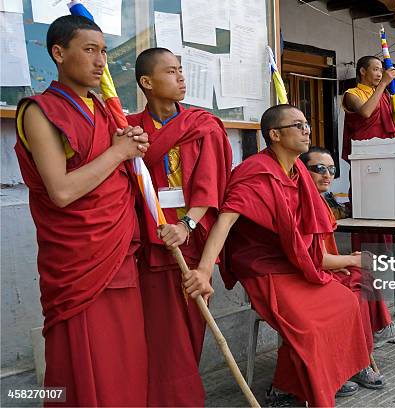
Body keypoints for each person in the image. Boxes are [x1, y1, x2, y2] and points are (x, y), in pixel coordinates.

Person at [184, 105, 371, 407]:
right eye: (297, 125)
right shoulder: (255, 171)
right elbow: (225, 221)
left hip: (295, 263)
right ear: (274, 134)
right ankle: (310, 387)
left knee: (347, 302)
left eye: (307, 124)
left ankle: (298, 384)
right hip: (264, 268)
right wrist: (205, 272)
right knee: (309, 328)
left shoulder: (298, 172)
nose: (306, 130)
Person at [14, 15, 149, 405]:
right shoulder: (39, 111)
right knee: (83, 366)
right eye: (89, 50)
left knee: (124, 362)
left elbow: (115, 174)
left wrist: (131, 148)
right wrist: (119, 151)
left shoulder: (105, 111)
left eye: (104, 51)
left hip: (118, 255)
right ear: (58, 53)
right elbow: (61, 191)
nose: (101, 61)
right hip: (78, 263)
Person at [126, 47, 232, 406]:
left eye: (181, 70)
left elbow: (211, 183)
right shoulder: (131, 130)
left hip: (193, 240)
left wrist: (187, 223)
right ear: (147, 82)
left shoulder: (203, 125)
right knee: (162, 335)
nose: (181, 77)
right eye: (171, 72)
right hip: (151, 244)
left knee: (190, 328)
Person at [300, 147, 395, 370]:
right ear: (302, 170)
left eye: (331, 169)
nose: (327, 175)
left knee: (361, 273)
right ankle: (362, 355)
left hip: (322, 267)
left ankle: (368, 344)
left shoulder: (320, 202)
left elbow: (324, 253)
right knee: (357, 285)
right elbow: (317, 259)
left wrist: (348, 260)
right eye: (318, 169)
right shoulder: (302, 203)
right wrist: (350, 260)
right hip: (306, 276)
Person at [342, 55, 395, 251]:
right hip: (364, 160)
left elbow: (390, 123)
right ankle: (365, 254)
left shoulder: (382, 95)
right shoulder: (352, 94)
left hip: (386, 157)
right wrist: (384, 83)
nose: (379, 73)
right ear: (362, 71)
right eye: (375, 69)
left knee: (386, 204)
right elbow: (366, 113)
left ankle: (388, 253)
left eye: (381, 69)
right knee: (367, 207)